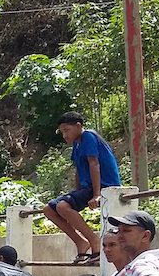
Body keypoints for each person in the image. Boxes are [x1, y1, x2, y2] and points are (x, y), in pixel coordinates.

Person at [46, 111, 121, 264]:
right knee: (48, 210)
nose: (64, 135)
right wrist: (77, 190)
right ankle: (81, 242)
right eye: (62, 132)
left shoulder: (88, 137)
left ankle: (94, 241)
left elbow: (94, 163)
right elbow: (79, 170)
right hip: (88, 187)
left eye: (67, 130)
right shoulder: (77, 143)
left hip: (104, 184)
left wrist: (97, 194)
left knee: (62, 206)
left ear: (78, 126)